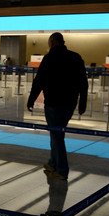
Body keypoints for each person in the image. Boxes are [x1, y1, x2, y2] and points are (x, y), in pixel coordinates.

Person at [27, 32, 88, 181]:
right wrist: (82, 102)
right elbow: (83, 82)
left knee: (56, 136)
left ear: (53, 42)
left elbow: (39, 81)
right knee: (57, 133)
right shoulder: (76, 57)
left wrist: (31, 100)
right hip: (70, 103)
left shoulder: (49, 58)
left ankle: (61, 170)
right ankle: (53, 162)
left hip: (54, 102)